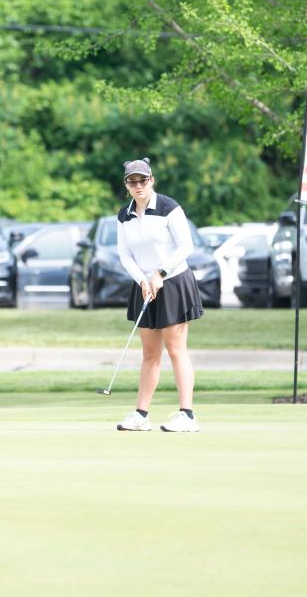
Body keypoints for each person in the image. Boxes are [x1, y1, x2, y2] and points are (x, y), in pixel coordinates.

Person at [114, 158, 203, 432]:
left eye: (143, 180)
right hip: (144, 285)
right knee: (150, 353)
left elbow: (185, 245)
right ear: (126, 185)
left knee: (176, 350)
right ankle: (141, 415)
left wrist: (160, 273)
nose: (138, 186)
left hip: (173, 282)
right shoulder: (124, 215)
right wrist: (142, 279)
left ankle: (187, 415)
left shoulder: (168, 207)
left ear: (152, 180)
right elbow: (124, 254)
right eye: (133, 181)